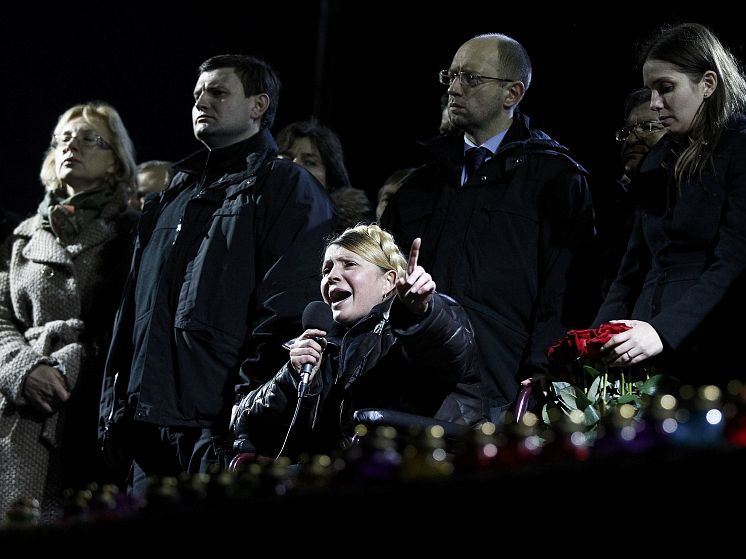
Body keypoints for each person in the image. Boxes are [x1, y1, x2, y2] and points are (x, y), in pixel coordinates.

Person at [98, 54, 337, 497]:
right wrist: (113, 410)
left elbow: (287, 312)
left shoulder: (286, 187)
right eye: (197, 94)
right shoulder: (172, 195)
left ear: (259, 105)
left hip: (217, 429)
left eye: (218, 92)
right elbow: (130, 314)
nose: (201, 102)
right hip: (146, 426)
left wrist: (249, 413)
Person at [380, 33, 594, 422]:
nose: (453, 88)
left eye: (471, 78)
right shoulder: (420, 184)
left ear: (513, 93)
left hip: (501, 390)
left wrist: (541, 379)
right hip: (410, 385)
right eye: (451, 76)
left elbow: (564, 295)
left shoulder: (555, 179)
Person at [595, 23, 746, 383]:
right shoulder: (656, 163)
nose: (655, 103)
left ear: (708, 84)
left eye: (666, 88)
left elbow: (743, 263)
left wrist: (662, 331)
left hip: (714, 352)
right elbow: (630, 272)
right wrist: (594, 342)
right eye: (651, 91)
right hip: (645, 356)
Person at [231, 224, 484, 460]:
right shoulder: (320, 346)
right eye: (326, 270)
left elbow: (449, 352)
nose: (331, 276)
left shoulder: (421, 323)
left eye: (349, 264)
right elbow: (244, 428)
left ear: (388, 281)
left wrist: (421, 315)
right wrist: (290, 378)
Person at [1, 102, 138, 521]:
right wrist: (22, 368)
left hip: (89, 406)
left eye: (88, 139)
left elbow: (133, 320)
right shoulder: (22, 236)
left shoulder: (133, 230)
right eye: (63, 138)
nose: (71, 146)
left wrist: (68, 365)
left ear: (115, 161)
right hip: (18, 407)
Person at [595, 88, 668, 297]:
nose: (632, 138)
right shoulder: (610, 206)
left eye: (648, 127)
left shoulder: (687, 196)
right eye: (627, 132)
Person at [276, 118, 372, 231]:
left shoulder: (347, 234)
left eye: (309, 162)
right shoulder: (259, 211)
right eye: (287, 158)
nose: (295, 167)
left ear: (329, 179)